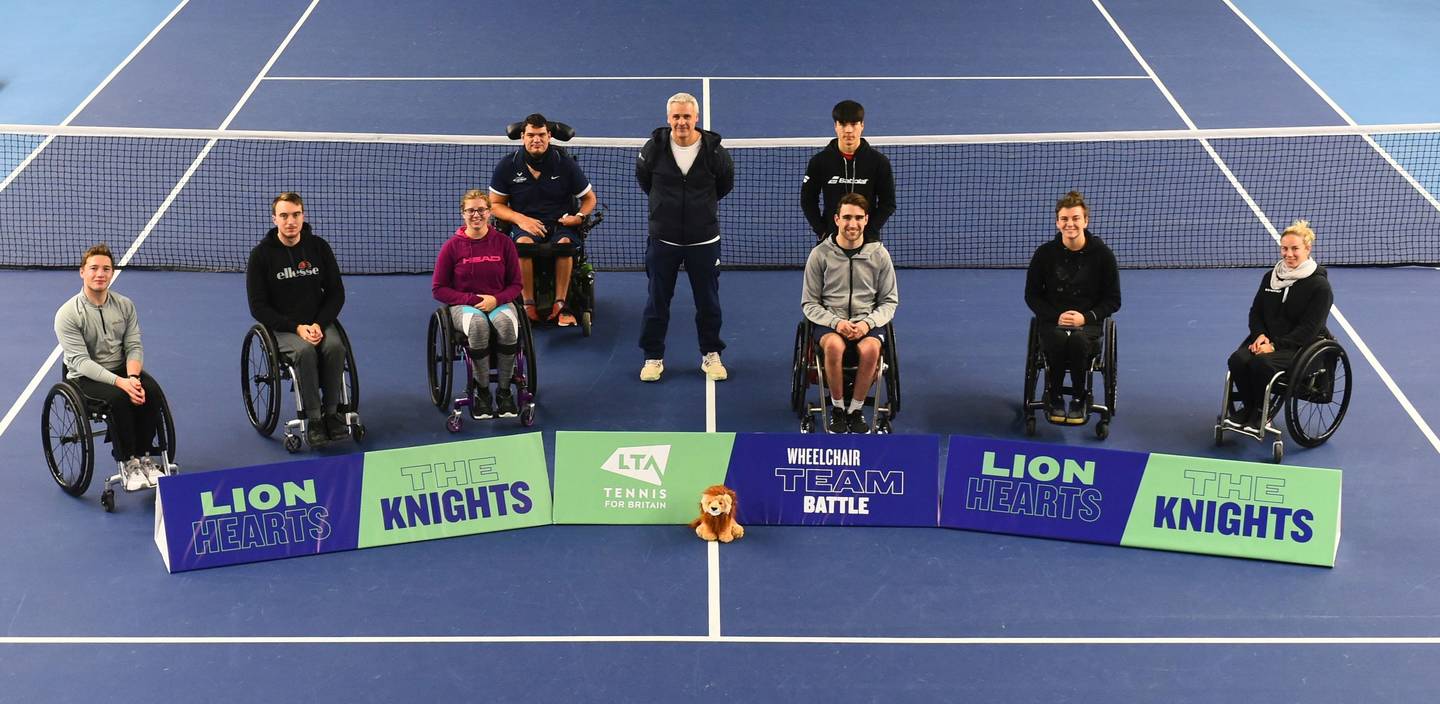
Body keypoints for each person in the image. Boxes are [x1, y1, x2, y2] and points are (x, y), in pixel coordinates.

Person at [635, 92, 735, 382]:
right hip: (663, 240)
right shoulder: (653, 149)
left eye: (686, 116)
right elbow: (645, 180)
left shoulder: (715, 152)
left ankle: (711, 354)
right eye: (676, 116)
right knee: (657, 301)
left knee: (708, 302)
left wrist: (698, 209)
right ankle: (653, 357)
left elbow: (724, 184)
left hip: (703, 240)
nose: (681, 122)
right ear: (668, 119)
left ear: (696, 118)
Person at [54, 243, 167, 490]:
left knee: (151, 391)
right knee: (118, 399)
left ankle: (146, 458)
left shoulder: (125, 305)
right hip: (84, 377)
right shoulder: (68, 314)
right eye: (93, 268)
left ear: (112, 272)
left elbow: (134, 346)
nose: (100, 274)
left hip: (123, 370)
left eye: (106, 269)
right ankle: (128, 462)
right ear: (82, 272)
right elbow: (81, 362)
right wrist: (121, 383)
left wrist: (133, 377)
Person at [245, 192, 350, 449]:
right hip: (283, 328)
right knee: (304, 352)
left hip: (319, 323)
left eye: (295, 215)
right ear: (274, 219)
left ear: (303, 216)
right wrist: (296, 328)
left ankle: (333, 412)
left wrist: (318, 323)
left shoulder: (319, 247)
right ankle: (314, 418)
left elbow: (336, 293)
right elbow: (258, 307)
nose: (290, 221)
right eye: (284, 216)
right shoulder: (261, 256)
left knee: (335, 347)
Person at [802, 193, 899, 433]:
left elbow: (889, 301)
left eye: (858, 218)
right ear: (836, 219)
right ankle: (836, 409)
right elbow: (809, 303)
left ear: (866, 220)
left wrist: (867, 324)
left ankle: (855, 410)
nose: (852, 224)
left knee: (871, 349)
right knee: (834, 347)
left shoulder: (879, 255)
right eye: (846, 217)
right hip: (830, 321)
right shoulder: (820, 255)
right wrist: (836, 323)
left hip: (866, 321)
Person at [489, 113, 596, 327]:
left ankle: (562, 304)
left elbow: (589, 198)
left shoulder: (564, 164)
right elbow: (495, 204)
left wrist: (579, 217)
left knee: (564, 246)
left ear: (549, 136)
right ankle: (527, 304)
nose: (536, 139)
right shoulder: (507, 165)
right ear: (522, 136)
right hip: (524, 225)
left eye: (541, 135)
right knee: (523, 246)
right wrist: (520, 219)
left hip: (560, 224)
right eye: (531, 135)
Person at [1024, 191, 1121, 424]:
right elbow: (1032, 296)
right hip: (1052, 322)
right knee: (1058, 339)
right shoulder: (1045, 254)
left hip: (1087, 323)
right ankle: (1054, 396)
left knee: (1077, 341)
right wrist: (1056, 316)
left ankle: (1080, 397)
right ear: (1058, 223)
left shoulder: (1103, 256)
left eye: (1075, 218)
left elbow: (1113, 300)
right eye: (1065, 219)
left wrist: (1085, 318)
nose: (1070, 224)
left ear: (1085, 221)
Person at [1225, 220, 1332, 430]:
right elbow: (1256, 312)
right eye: (1284, 248)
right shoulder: (1270, 277)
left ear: (1307, 249)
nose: (1288, 254)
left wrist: (1274, 346)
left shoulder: (1320, 287)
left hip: (1297, 346)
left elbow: (1309, 329)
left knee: (1261, 364)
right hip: (1266, 339)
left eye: (1295, 249)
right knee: (1237, 360)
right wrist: (1260, 335)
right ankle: (1249, 409)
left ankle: (1259, 414)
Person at [432, 190, 524, 419]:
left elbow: (516, 284)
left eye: (481, 210)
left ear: (490, 213)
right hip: (465, 306)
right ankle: (482, 391)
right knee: (477, 327)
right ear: (463, 214)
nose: (476, 215)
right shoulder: (451, 247)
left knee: (507, 325)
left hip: (499, 302)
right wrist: (473, 300)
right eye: (471, 210)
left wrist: (496, 299)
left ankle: (504, 391)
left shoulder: (504, 243)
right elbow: (439, 289)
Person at [801, 100, 896, 243]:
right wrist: (822, 230)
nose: (848, 130)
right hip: (831, 239)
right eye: (843, 124)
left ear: (862, 125)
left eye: (854, 124)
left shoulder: (879, 162)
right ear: (835, 126)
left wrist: (869, 231)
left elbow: (888, 203)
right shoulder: (819, 162)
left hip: (867, 239)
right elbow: (808, 200)